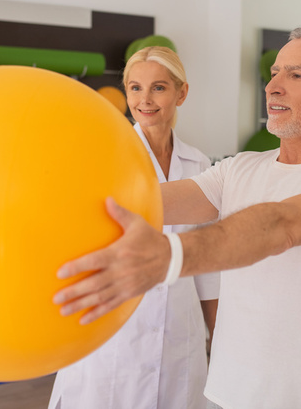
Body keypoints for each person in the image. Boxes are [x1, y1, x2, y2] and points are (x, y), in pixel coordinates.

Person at [53, 27, 301, 408]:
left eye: (295, 75)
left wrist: (169, 256)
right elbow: (147, 201)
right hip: (224, 392)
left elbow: (282, 226)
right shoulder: (239, 168)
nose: (273, 87)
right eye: (274, 73)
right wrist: (52, 201)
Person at [48, 46, 220, 409]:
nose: (145, 100)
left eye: (158, 88)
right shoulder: (103, 155)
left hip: (180, 329)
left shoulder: (200, 163)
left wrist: (217, 337)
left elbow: (207, 263)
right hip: (116, 321)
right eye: (135, 88)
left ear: (181, 93)